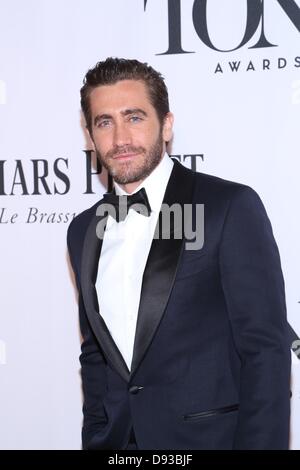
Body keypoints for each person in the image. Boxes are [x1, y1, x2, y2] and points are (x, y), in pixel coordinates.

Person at [67, 57, 291, 450]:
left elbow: (265, 352)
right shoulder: (84, 229)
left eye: (134, 117)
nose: (120, 138)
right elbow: (95, 356)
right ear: (90, 134)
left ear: (166, 124)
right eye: (105, 122)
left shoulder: (226, 207)